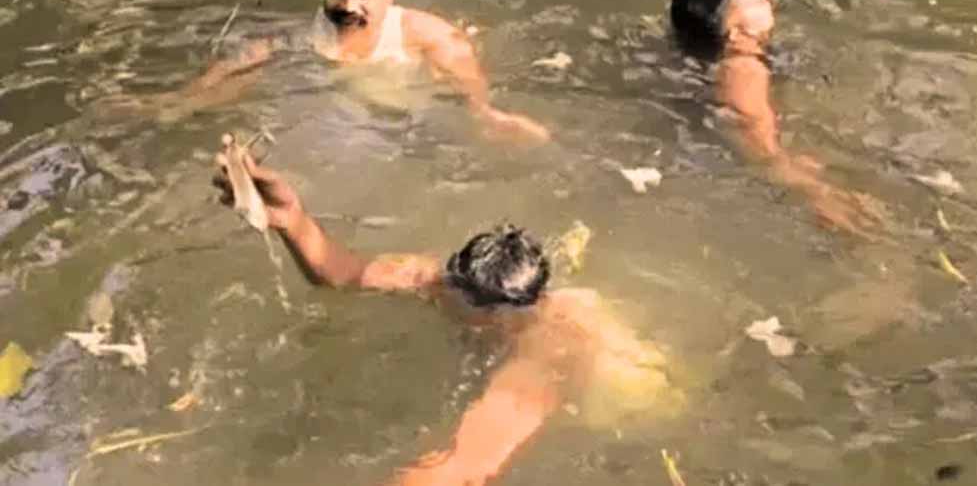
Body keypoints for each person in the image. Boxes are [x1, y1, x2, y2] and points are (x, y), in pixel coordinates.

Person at [212, 153, 685, 486]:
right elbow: (345, 274)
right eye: (456, 297)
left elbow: (464, 466)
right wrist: (292, 220)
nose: (459, 311)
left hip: (633, 397)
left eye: (478, 314)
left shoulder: (549, 349)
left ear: (515, 313)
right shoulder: (441, 280)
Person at [181, 0, 549, 144]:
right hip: (332, 122)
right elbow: (247, 60)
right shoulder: (307, 35)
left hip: (403, 128)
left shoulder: (422, 34)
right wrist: (189, 98)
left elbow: (463, 69)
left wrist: (484, 114)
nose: (347, 5)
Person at [670, 0, 883, 237]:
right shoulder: (744, 70)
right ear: (734, 33)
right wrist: (819, 192)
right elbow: (764, 153)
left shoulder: (739, 62)